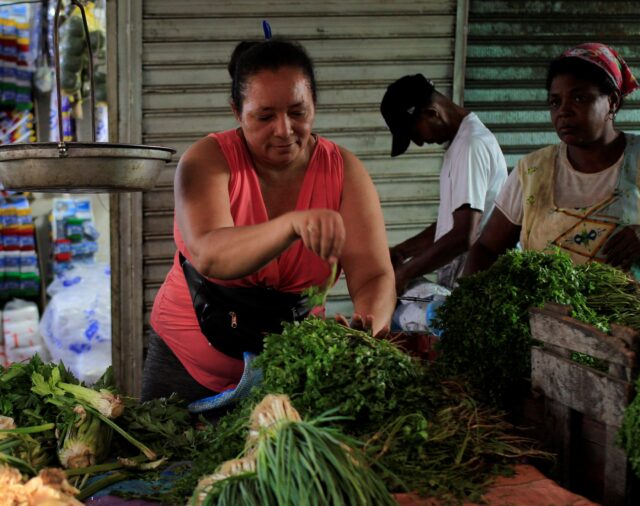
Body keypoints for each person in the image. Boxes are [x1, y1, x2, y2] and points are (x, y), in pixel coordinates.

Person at [141, 38, 395, 405]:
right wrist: (291, 225)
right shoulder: (206, 161)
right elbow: (210, 254)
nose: (284, 130)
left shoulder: (344, 172)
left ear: (315, 106)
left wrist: (367, 328)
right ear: (236, 112)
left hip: (288, 370)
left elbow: (373, 273)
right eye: (264, 116)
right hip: (188, 366)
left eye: (298, 112)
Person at [464, 42, 640, 277]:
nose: (563, 111)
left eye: (579, 99)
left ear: (612, 101)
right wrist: (464, 302)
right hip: (547, 314)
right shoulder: (533, 171)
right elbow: (486, 249)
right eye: (555, 102)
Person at [380, 75, 507, 292]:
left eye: (415, 133)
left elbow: (462, 236)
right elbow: (449, 226)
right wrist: (402, 252)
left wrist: (404, 273)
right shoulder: (461, 144)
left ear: (432, 112)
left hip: (481, 290)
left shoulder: (470, 146)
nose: (419, 143)